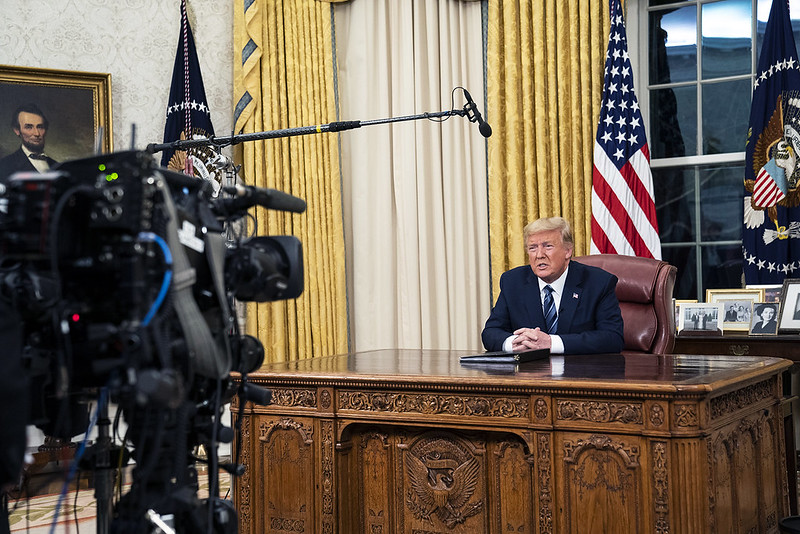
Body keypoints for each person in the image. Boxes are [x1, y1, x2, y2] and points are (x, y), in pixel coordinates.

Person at [481, 217, 624, 354]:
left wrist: (551, 343)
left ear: (568, 251)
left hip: (580, 373)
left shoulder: (598, 282)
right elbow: (490, 333)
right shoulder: (513, 282)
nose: (539, 255)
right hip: (529, 374)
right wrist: (514, 343)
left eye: (547, 246)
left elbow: (612, 338)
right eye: (532, 248)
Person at [0, 103, 58, 182]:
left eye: (40, 127)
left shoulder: (57, 165)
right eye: (29, 127)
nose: (37, 133)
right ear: (17, 130)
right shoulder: (4, 165)